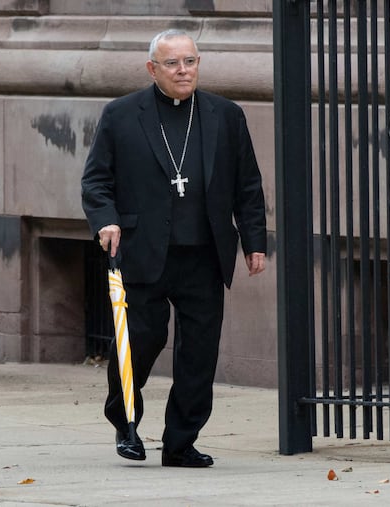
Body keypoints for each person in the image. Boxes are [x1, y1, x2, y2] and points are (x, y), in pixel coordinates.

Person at [81, 29, 267, 468]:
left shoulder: (226, 114)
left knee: (199, 352)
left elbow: (248, 185)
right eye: (173, 63)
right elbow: (96, 181)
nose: (183, 70)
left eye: (190, 61)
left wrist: (254, 241)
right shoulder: (121, 114)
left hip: (204, 252)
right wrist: (105, 219)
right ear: (152, 68)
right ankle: (125, 421)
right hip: (143, 250)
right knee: (141, 341)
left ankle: (181, 442)